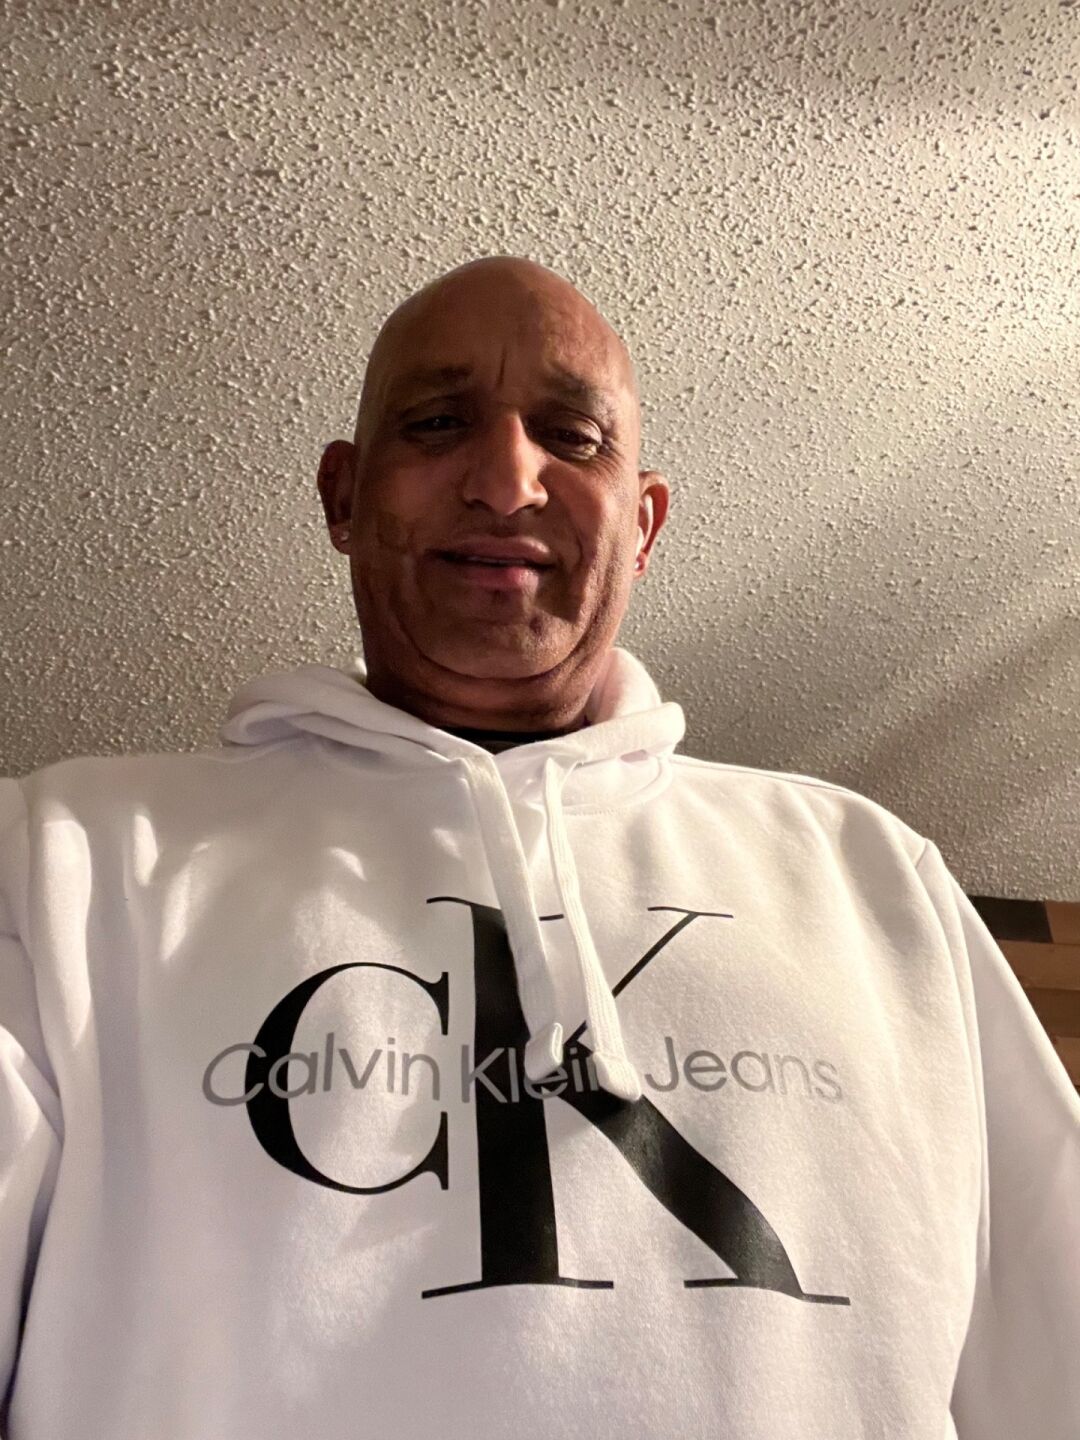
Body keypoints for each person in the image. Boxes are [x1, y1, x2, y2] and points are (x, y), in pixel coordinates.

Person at [1, 254, 1077, 1440]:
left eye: (571, 437)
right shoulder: (63, 858)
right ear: (344, 497)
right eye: (438, 422)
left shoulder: (873, 875)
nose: (508, 481)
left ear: (644, 522)